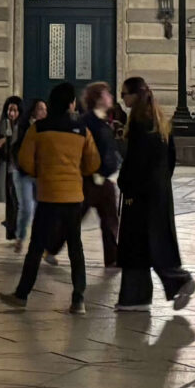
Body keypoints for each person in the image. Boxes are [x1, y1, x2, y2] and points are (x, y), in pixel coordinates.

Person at [0, 82, 101, 310]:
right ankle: (78, 299)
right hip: (73, 197)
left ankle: (22, 295)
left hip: (47, 196)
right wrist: (77, 172)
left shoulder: (39, 129)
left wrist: (40, 173)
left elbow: (24, 161)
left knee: (36, 246)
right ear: (71, 103)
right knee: (75, 247)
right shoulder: (82, 130)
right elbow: (93, 163)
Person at [114, 77, 195, 312]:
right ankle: (141, 295)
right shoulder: (159, 120)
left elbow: (135, 161)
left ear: (134, 96)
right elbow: (171, 157)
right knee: (152, 242)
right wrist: (161, 183)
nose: (123, 99)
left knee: (137, 245)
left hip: (140, 194)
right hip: (159, 192)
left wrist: (126, 186)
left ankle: (149, 291)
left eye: (124, 94)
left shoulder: (139, 122)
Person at [79, 81, 124, 266]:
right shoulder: (88, 121)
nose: (111, 97)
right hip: (90, 179)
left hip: (104, 179)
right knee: (75, 216)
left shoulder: (105, 120)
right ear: (98, 99)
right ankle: (50, 246)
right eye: (107, 94)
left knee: (110, 219)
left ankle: (113, 258)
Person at [0, 95, 30, 244]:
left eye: (14, 110)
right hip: (6, 167)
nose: (12, 113)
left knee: (17, 200)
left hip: (18, 168)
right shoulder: (2, 125)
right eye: (9, 110)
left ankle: (17, 229)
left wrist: (6, 141)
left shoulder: (23, 127)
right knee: (10, 200)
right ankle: (11, 230)